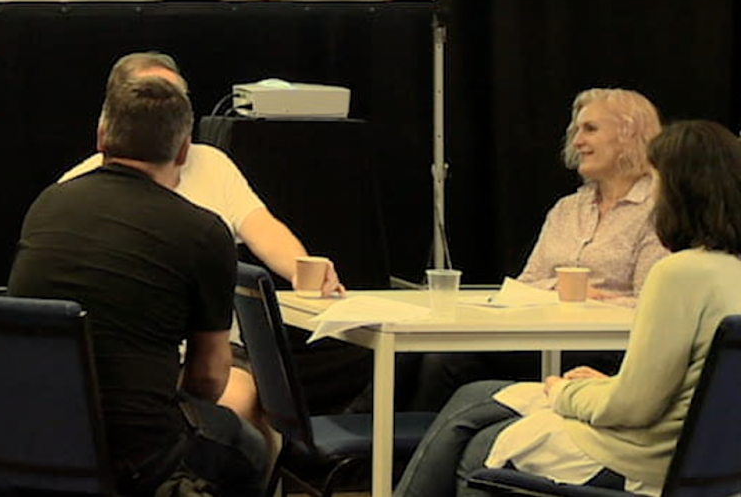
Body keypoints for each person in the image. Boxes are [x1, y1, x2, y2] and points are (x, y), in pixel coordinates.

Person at [392, 120, 741, 497]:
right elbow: (681, 385)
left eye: (655, 180)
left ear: (680, 190)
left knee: (484, 444)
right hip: (704, 462)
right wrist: (601, 385)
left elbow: (634, 408)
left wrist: (563, 394)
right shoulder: (727, 270)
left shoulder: (679, 274)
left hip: (639, 458)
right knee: (476, 397)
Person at [62, 52, 362, 421]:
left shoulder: (213, 167)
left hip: (212, 353)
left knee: (234, 407)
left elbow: (261, 226)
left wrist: (302, 270)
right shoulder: (75, 189)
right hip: (121, 361)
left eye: (173, 100)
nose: (162, 113)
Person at [10, 74, 267, 497]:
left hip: (31, 439)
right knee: (249, 447)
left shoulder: (47, 205)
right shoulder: (203, 232)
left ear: (101, 136)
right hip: (138, 457)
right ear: (183, 150)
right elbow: (207, 380)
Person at [407, 87, 669, 411]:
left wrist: (601, 301)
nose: (577, 142)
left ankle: (413, 454)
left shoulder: (659, 210)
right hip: (540, 338)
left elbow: (654, 304)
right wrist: (563, 289)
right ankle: (360, 447)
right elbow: (526, 283)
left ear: (630, 135)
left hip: (603, 347)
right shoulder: (567, 209)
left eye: (590, 129)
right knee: (411, 351)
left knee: (445, 360)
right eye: (576, 131)